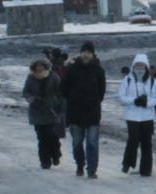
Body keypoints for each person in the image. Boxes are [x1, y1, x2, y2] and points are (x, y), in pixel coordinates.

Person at [60, 40, 106, 177]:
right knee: (77, 142)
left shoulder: (98, 70)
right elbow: (63, 89)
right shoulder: (72, 69)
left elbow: (102, 91)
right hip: (75, 113)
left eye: (89, 52)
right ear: (80, 53)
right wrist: (73, 100)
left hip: (92, 113)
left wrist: (94, 101)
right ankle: (80, 164)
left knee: (92, 143)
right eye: (84, 52)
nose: (86, 55)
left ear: (93, 54)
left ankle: (92, 169)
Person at [118, 52, 156, 176]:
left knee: (147, 143)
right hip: (131, 115)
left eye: (142, 66)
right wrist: (134, 101)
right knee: (133, 139)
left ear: (146, 66)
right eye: (137, 65)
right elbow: (121, 97)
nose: (139, 68)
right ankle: (127, 163)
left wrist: (147, 103)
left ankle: (146, 169)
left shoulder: (152, 81)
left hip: (147, 116)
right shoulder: (127, 80)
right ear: (133, 66)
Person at [22, 57, 64, 169]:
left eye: (42, 65)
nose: (39, 68)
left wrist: (59, 105)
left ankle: (56, 154)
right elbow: (25, 91)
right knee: (42, 138)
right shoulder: (31, 78)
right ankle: (45, 161)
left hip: (52, 112)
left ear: (46, 67)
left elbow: (60, 92)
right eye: (37, 66)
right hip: (37, 112)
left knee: (53, 137)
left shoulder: (53, 76)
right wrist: (32, 99)